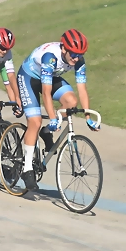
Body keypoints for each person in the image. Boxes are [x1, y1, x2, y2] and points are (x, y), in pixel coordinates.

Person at [16, 29, 99, 191]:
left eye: (80, 55)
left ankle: (46, 132)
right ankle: (27, 169)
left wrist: (89, 116)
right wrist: (53, 117)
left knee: (71, 101)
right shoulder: (50, 57)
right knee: (35, 120)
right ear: (64, 49)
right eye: (73, 54)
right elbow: (46, 93)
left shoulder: (78, 60)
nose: (76, 58)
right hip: (29, 77)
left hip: (51, 76)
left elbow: (82, 90)